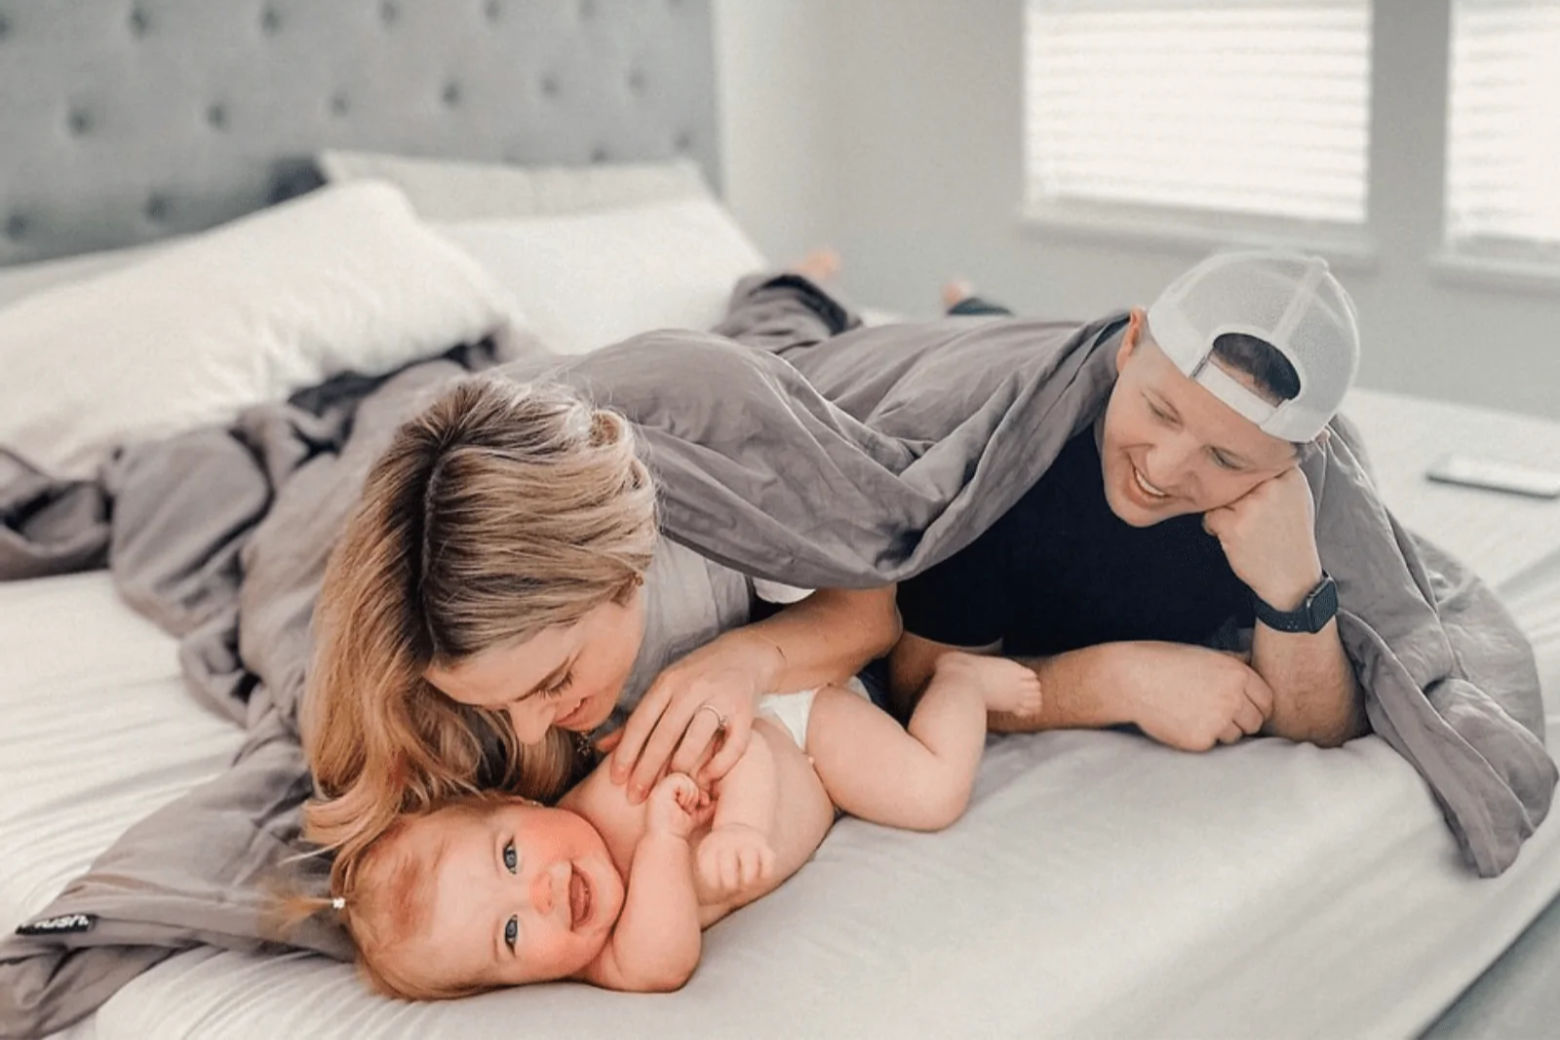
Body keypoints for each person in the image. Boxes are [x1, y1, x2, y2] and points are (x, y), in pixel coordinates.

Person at [301, 369, 901, 885]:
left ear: (619, 574)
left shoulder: (725, 501)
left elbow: (872, 616)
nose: (532, 732)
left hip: (703, 399)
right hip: (475, 446)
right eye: (498, 705)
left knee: (795, 336)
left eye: (555, 679)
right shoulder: (421, 651)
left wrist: (748, 659)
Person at [300, 651, 1039, 998]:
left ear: (523, 807)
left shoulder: (616, 792)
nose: (545, 895)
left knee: (933, 791)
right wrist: (665, 846)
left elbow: (737, 741)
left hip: (799, 731)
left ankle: (958, 680)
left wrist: (739, 829)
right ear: (509, 982)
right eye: (512, 935)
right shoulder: (605, 956)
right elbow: (667, 963)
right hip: (821, 792)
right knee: (924, 794)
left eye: (513, 858)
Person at [889, 250, 1367, 753]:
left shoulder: (1285, 501)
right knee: (805, 322)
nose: (1161, 471)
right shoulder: (1010, 457)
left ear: (1300, 456)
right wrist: (1116, 682)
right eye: (1161, 412)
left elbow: (1320, 731)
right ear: (1131, 340)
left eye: (1225, 460)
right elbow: (918, 680)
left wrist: (1293, 587)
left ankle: (971, 302)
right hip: (967, 357)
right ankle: (943, 300)